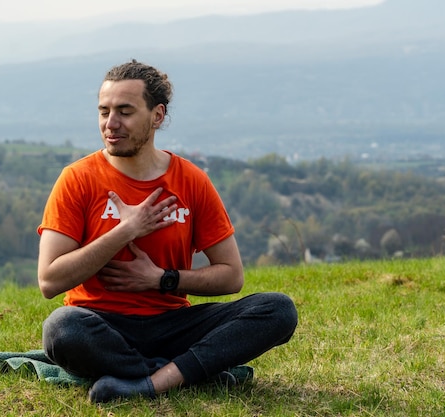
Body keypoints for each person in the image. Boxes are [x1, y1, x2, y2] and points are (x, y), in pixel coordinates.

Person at [37, 59, 298, 403]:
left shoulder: (191, 180)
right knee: (61, 328)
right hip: (100, 324)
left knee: (278, 310)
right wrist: (126, 230)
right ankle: (186, 373)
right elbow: (50, 281)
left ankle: (150, 382)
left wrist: (163, 279)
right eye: (104, 111)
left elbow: (231, 276)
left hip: (174, 323)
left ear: (157, 116)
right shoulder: (77, 179)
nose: (110, 124)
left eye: (125, 111)